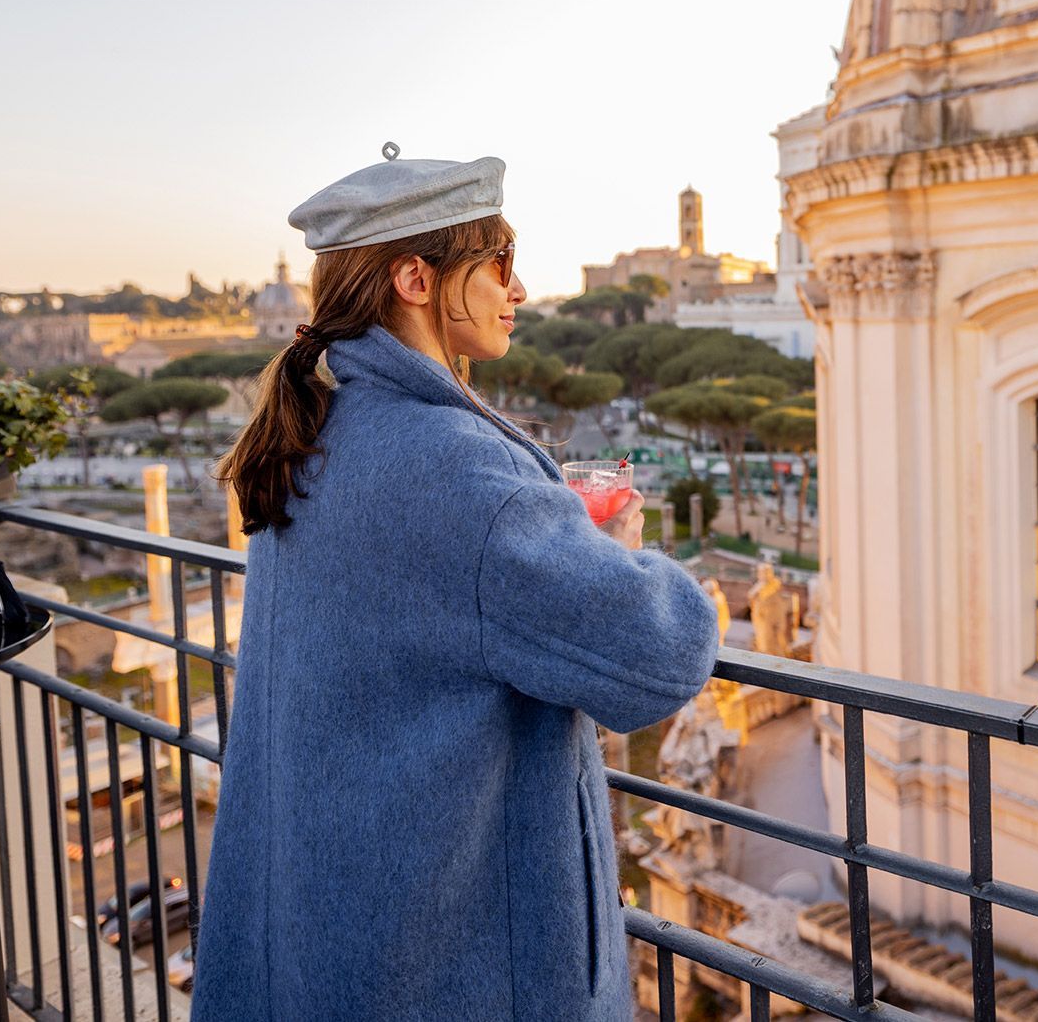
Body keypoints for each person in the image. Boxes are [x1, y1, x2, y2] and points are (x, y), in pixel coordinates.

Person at [191, 147, 721, 1020]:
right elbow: (662, 654)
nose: (519, 289)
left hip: (325, 923)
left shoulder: (317, 429)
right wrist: (622, 549)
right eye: (499, 264)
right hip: (450, 962)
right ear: (415, 278)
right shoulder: (461, 474)